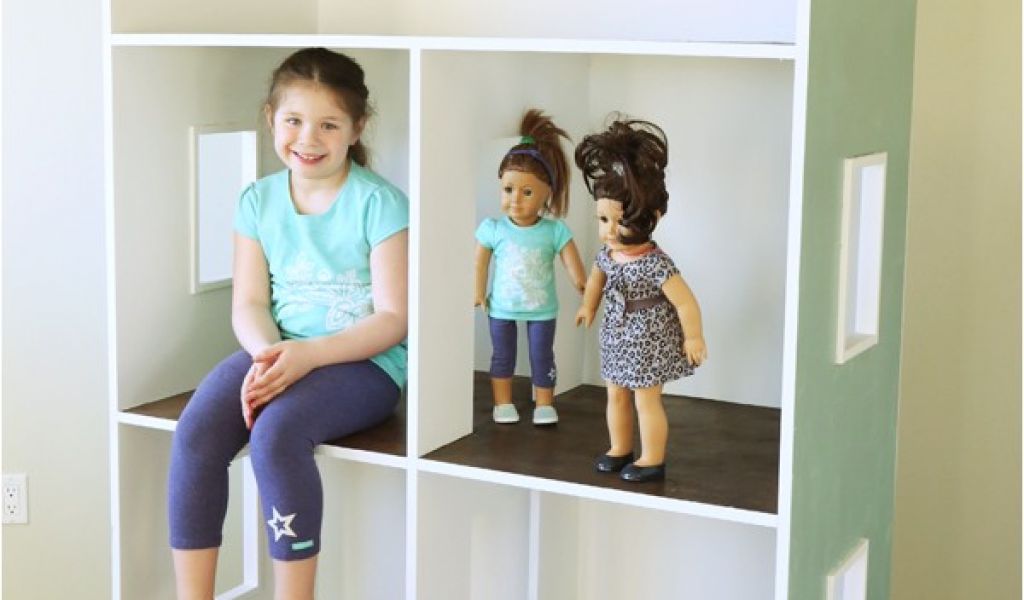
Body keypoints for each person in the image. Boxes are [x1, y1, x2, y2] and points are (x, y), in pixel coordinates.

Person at [167, 47, 408, 599]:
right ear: (271, 118)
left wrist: (309, 356)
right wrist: (269, 356)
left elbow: (394, 319)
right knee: (197, 430)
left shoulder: (380, 203)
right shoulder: (257, 201)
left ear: (357, 128)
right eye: (294, 120)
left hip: (363, 365)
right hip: (275, 351)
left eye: (329, 125)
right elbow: (249, 303)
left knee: (276, 436)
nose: (308, 138)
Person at [574, 117, 707, 483]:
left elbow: (685, 302)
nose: (609, 231)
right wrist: (588, 306)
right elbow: (596, 281)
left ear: (652, 217)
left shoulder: (656, 263)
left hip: (649, 340)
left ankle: (652, 458)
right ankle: (619, 448)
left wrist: (693, 336)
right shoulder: (607, 255)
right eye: (603, 219)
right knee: (615, 394)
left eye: (621, 221)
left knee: (645, 399)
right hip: (616, 336)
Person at [474, 109, 586, 426]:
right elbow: (480, 262)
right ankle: (502, 403)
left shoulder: (554, 230)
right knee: (502, 356)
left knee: (542, 355)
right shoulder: (493, 228)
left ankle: (545, 403)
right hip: (501, 308)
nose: (515, 199)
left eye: (527, 192)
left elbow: (573, 266)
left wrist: (585, 286)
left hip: (542, 310)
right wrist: (478, 292)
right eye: (508, 189)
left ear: (546, 192)